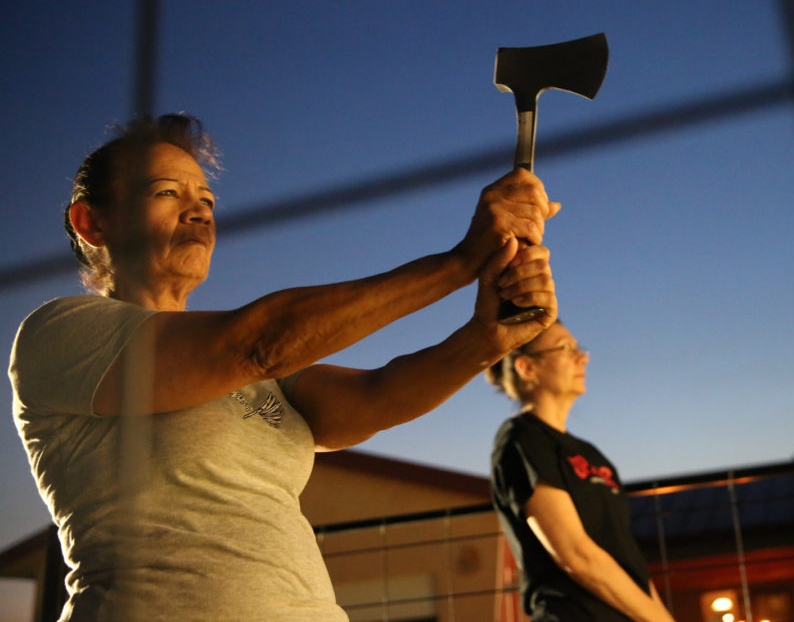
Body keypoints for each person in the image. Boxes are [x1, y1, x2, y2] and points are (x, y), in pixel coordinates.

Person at [8, 113, 559, 620]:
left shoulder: (253, 366)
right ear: (92, 223)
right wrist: (460, 263)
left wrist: (485, 337)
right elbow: (256, 343)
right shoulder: (60, 333)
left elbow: (375, 397)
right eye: (167, 192)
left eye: (207, 198)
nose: (199, 209)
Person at [487, 321, 676, 622]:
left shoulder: (590, 454)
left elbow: (626, 556)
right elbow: (575, 555)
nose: (582, 357)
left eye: (578, 348)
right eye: (565, 348)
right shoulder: (521, 440)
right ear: (527, 368)